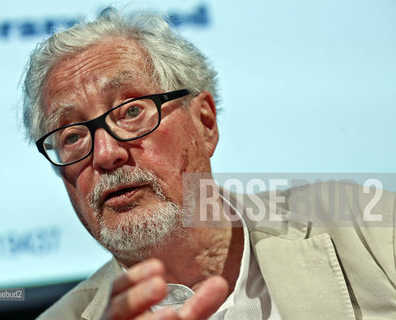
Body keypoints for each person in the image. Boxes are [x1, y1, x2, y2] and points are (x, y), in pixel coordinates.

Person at [21, 9, 396, 320]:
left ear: (205, 123)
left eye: (132, 111)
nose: (104, 154)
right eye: (72, 136)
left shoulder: (370, 231)